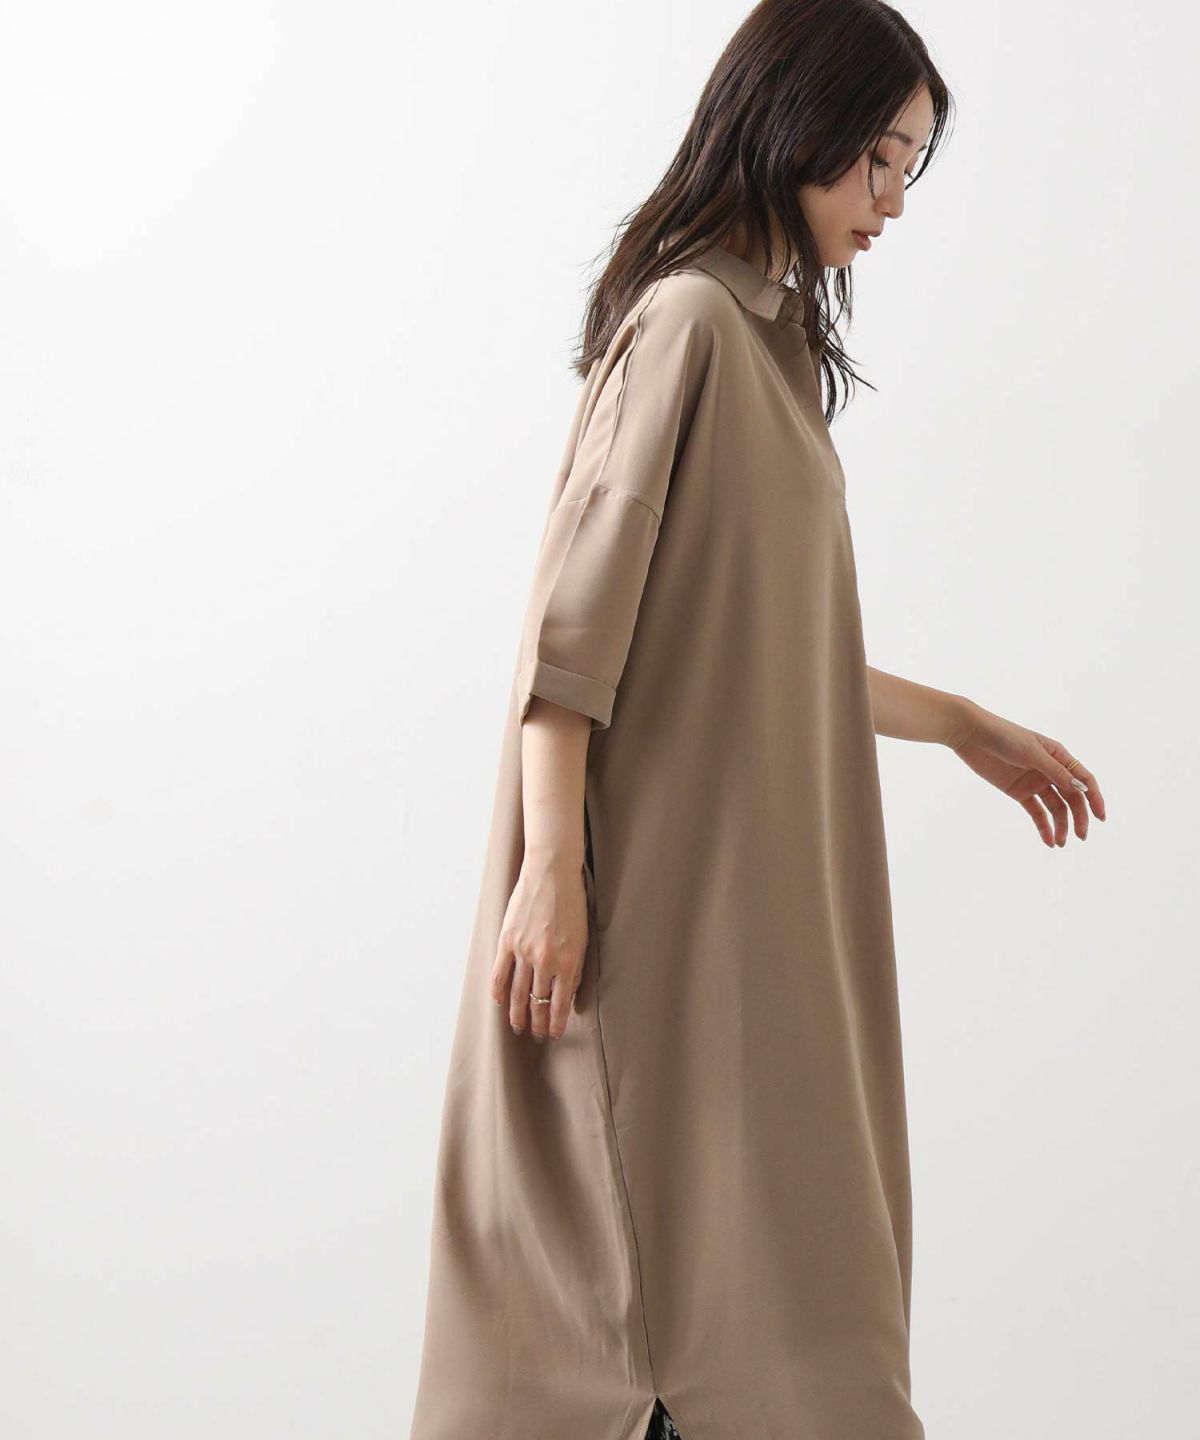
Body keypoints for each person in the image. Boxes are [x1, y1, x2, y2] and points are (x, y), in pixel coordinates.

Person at [409, 3, 1107, 1438]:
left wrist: (959, 722)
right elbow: (569, 641)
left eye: (911, 164)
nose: (894, 199)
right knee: (643, 1305)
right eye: (881, 157)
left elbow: (760, 652)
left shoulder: (766, 344)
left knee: (783, 1290)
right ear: (799, 122)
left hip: (749, 920)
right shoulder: (687, 323)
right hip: (648, 913)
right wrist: (552, 874)